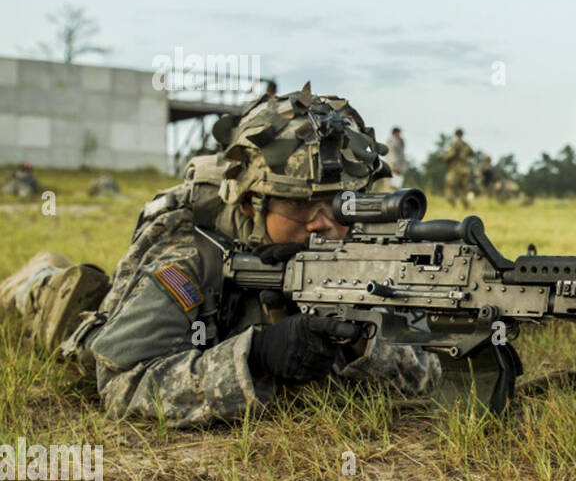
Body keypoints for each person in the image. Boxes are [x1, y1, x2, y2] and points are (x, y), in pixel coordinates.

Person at [0, 83, 507, 428]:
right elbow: (122, 382)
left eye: (340, 204)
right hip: (71, 304)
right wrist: (256, 356)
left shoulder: (363, 247)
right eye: (301, 205)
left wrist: (363, 348)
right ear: (250, 200)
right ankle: (36, 277)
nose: (325, 224)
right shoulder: (188, 254)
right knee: (61, 296)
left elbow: (428, 367)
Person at [442, 128, 473, 209]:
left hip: (455, 170)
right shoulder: (466, 145)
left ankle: (452, 204)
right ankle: (465, 206)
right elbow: (472, 154)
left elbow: (451, 155)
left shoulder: (455, 144)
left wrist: (444, 157)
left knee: (449, 187)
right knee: (464, 189)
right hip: (465, 170)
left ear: (455, 134)